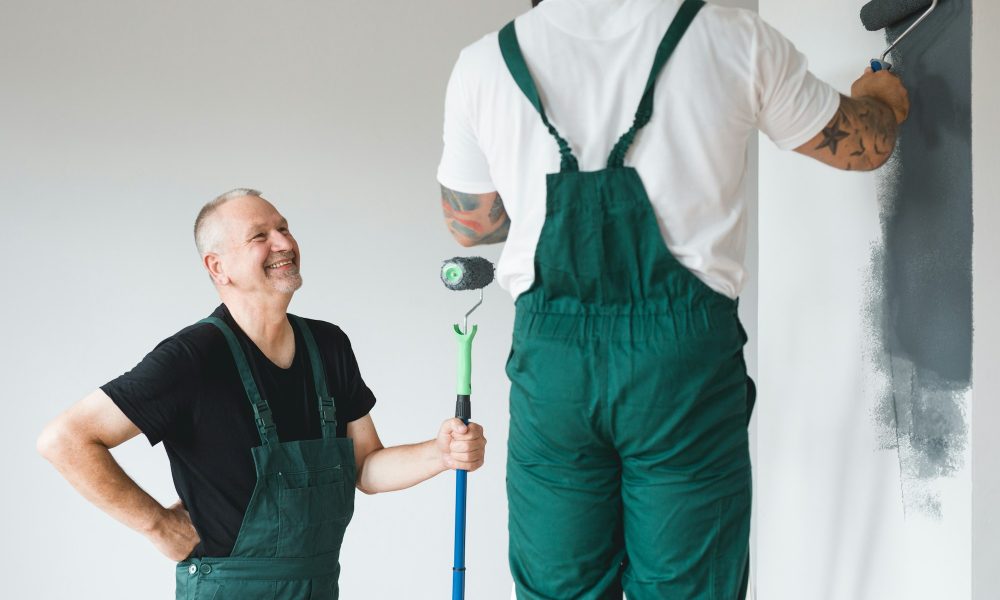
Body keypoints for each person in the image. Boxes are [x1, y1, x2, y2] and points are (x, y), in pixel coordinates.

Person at [436, 0, 908, 598]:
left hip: (552, 369)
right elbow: (863, 146)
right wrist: (883, 99)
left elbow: (470, 226)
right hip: (679, 367)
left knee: (560, 589)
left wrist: (532, 180)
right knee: (690, 586)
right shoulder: (731, 36)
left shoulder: (484, 64)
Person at [37, 189, 487, 599]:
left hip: (319, 586)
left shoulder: (328, 346)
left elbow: (366, 467)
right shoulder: (194, 357)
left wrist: (441, 453)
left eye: (284, 228)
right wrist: (156, 524)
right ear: (218, 267)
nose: (284, 243)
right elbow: (65, 440)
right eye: (259, 236)